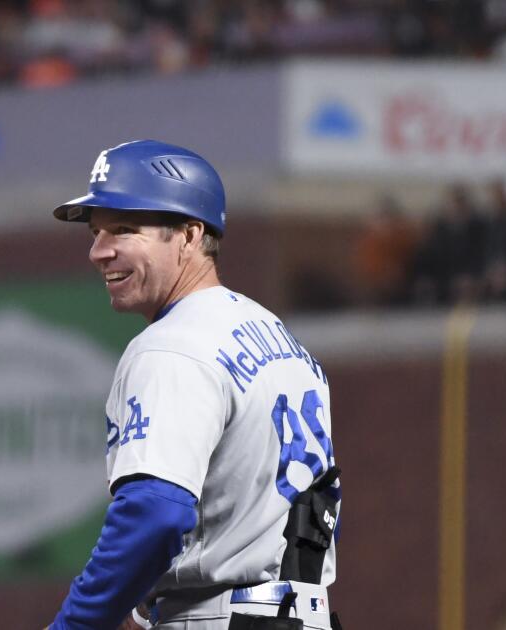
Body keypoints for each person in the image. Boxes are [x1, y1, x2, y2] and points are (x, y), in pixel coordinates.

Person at [44, 140, 341, 630]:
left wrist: (73, 626)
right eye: (97, 232)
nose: (99, 251)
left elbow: (155, 514)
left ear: (189, 234)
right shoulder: (278, 336)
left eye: (124, 229)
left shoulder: (170, 348)